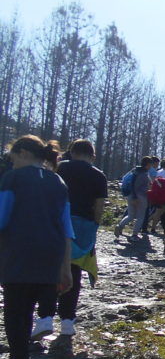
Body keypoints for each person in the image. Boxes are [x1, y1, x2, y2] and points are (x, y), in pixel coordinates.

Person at [0, 136, 73, 359]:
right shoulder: (58, 182)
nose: (11, 161)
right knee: (26, 309)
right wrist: (65, 269)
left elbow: (2, 218)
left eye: (12, 156)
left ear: (21, 153)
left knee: (15, 312)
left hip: (20, 252)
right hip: (51, 256)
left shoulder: (13, 178)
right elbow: (67, 229)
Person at [34, 139, 108, 340]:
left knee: (51, 270)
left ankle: (45, 318)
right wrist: (94, 225)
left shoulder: (60, 168)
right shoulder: (99, 175)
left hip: (55, 221)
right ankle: (67, 321)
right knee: (74, 273)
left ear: (71, 152)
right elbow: (99, 206)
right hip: (83, 226)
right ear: (92, 156)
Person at [116, 156, 153, 239]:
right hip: (141, 197)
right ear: (148, 164)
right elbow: (144, 186)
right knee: (140, 217)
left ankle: (119, 226)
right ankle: (134, 235)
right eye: (150, 164)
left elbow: (132, 184)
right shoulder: (144, 174)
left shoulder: (134, 171)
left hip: (130, 195)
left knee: (130, 215)